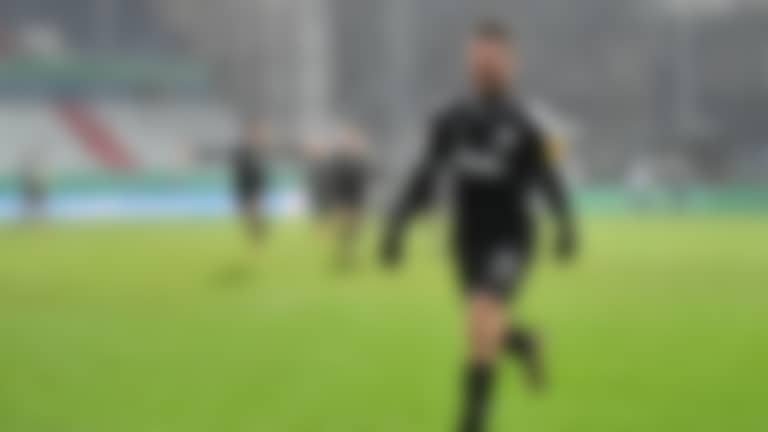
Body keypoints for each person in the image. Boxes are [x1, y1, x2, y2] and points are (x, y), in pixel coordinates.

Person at [381, 21, 578, 432]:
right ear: (469, 59)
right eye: (480, 54)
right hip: (466, 239)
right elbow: (425, 175)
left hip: (511, 237)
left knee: (482, 317)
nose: (487, 63)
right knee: (483, 322)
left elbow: (548, 179)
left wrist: (565, 225)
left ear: (512, 63)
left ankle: (471, 422)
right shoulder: (450, 119)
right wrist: (396, 225)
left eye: (495, 56)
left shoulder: (528, 123)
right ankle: (525, 343)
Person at [326, 126, 371, 268]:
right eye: (351, 140)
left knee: (355, 231)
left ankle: (350, 256)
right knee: (343, 230)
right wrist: (335, 198)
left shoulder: (362, 161)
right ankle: (342, 256)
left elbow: (365, 180)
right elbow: (334, 179)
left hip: (357, 200)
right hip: (343, 200)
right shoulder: (340, 161)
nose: (353, 143)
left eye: (355, 141)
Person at [232, 121, 270, 240]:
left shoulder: (259, 152)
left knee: (254, 213)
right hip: (246, 188)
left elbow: (261, 173)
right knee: (249, 214)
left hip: (255, 189)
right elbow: (240, 172)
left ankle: (257, 235)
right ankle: (256, 234)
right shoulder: (244, 152)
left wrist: (261, 188)